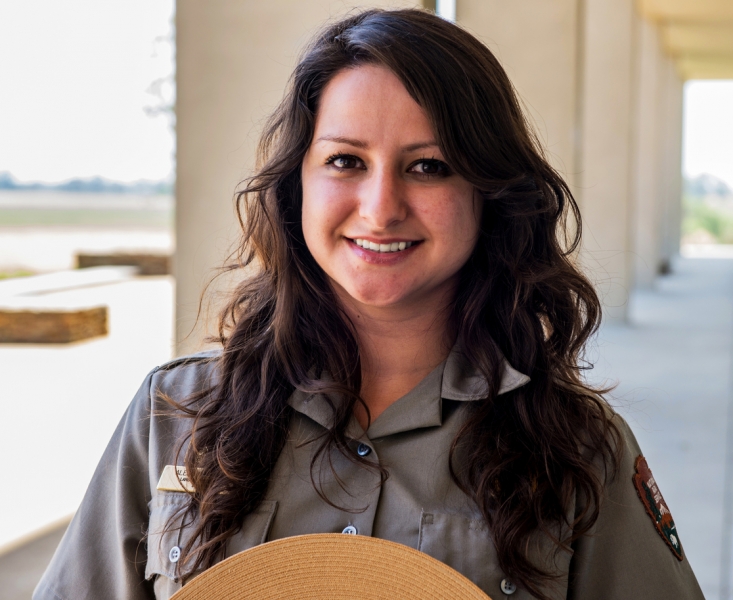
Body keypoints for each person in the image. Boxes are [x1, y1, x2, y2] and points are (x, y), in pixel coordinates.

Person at [34, 8, 704, 600]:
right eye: (345, 161)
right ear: (296, 185)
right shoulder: (172, 418)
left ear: (488, 193)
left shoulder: (580, 451)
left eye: (428, 166)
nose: (381, 208)